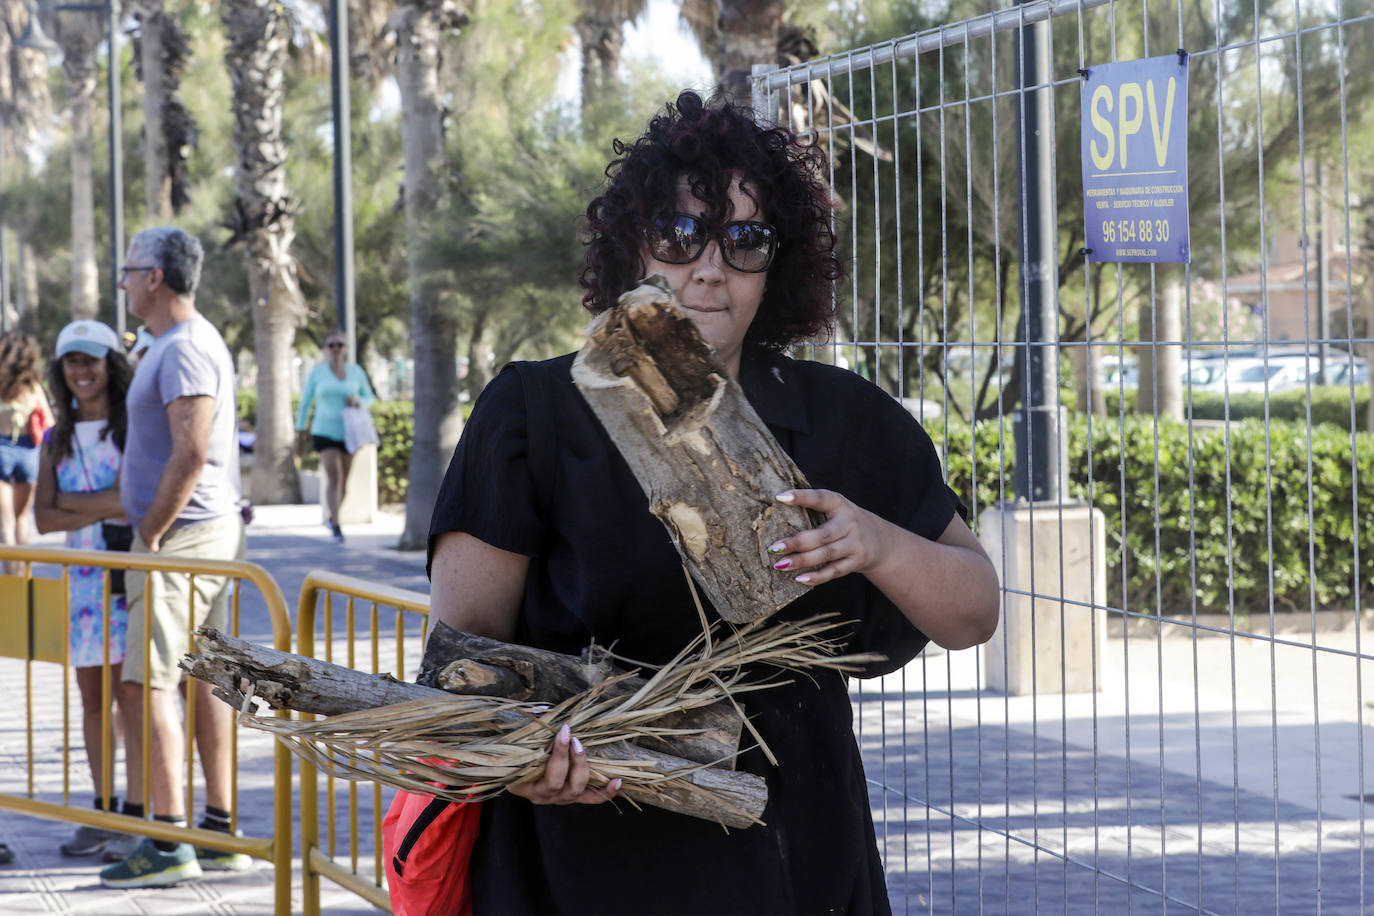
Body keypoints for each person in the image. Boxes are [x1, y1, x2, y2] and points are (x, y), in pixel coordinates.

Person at [425, 90, 1001, 913]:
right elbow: (461, 660)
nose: (708, 266)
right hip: (588, 860)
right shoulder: (534, 413)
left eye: (745, 240)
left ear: (779, 262)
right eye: (680, 232)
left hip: (799, 856)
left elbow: (974, 612)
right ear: (635, 244)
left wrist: (876, 543)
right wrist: (526, 770)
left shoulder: (845, 420)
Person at [99, 226, 250, 888]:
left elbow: (191, 451)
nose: (124, 282)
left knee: (149, 681)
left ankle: (167, 844)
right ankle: (216, 831)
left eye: (128, 272)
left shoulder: (185, 347)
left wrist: (152, 533)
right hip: (199, 534)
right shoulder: (182, 343)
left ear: (154, 278)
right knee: (202, 677)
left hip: (181, 537)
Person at [33, 320, 140, 860]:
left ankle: (137, 813)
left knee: (131, 696)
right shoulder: (56, 437)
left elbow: (136, 500)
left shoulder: (132, 428)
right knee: (92, 698)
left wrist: (82, 502)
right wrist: (108, 500)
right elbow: (44, 518)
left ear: (109, 365)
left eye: (90, 360)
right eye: (71, 361)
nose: (81, 371)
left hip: (127, 582)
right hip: (81, 590)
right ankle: (101, 808)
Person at [295, 329, 374, 543]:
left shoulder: (356, 371)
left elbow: (370, 397)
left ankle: (333, 516)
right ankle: (337, 525)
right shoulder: (317, 373)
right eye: (331, 345)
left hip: (349, 432)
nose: (336, 349)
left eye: (340, 344)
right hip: (323, 430)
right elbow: (305, 403)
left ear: (345, 349)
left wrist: (359, 402)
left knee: (344, 480)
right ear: (325, 349)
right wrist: (300, 429)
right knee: (334, 476)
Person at [0, 331, 53, 575]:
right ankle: (23, 578)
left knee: (5, 525)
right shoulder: (32, 387)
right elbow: (50, 423)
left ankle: (10, 579)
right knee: (22, 520)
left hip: (2, 449)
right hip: (28, 452)